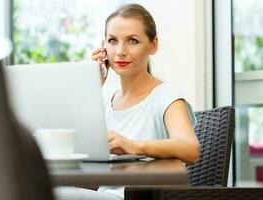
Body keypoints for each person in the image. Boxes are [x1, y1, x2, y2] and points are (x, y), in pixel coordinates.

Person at [56, 3, 200, 200]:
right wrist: (92, 85)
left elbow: (190, 148)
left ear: (153, 44)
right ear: (103, 46)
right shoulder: (110, 101)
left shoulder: (166, 97)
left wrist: (135, 146)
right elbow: (75, 148)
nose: (120, 51)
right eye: (112, 41)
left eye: (132, 41)